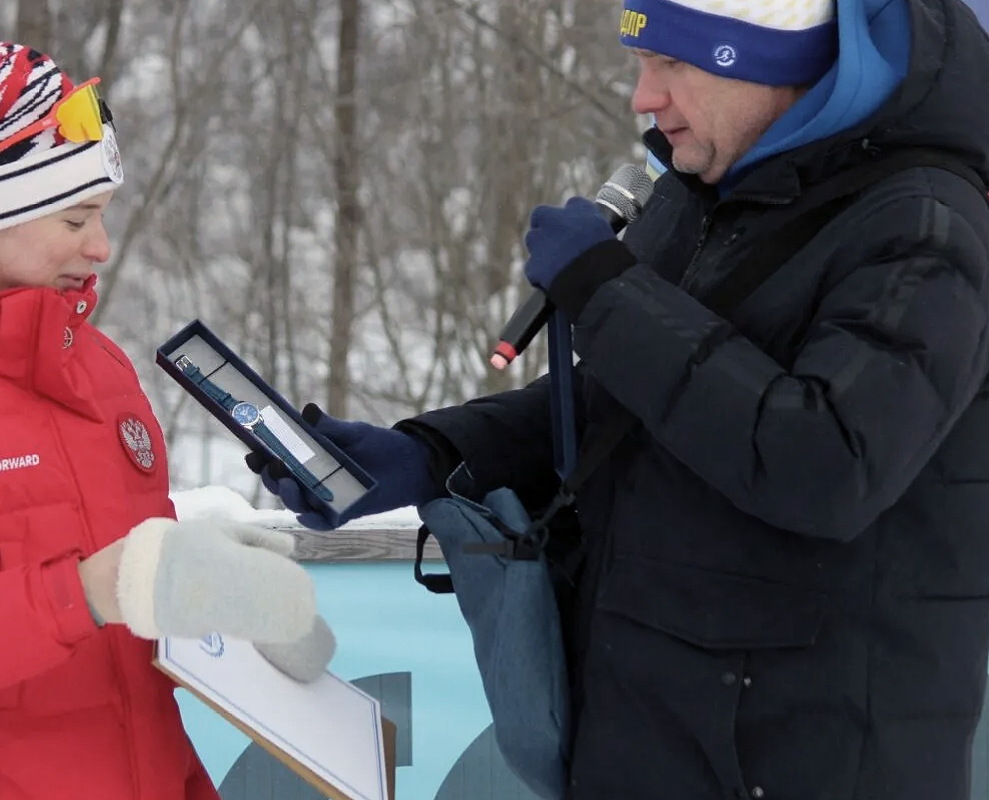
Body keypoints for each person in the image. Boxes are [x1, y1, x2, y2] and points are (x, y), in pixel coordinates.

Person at [255, 0, 989, 797]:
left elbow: (825, 462)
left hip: (808, 758)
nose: (643, 97)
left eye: (672, 65)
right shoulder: (704, 189)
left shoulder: (925, 224)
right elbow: (630, 405)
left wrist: (609, 295)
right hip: (646, 739)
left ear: (766, 62)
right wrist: (431, 454)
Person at [0, 23, 334, 800]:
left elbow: (122, 596)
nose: (103, 247)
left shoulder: (100, 368)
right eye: (76, 220)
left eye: (104, 214)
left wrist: (202, 575)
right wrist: (83, 593)